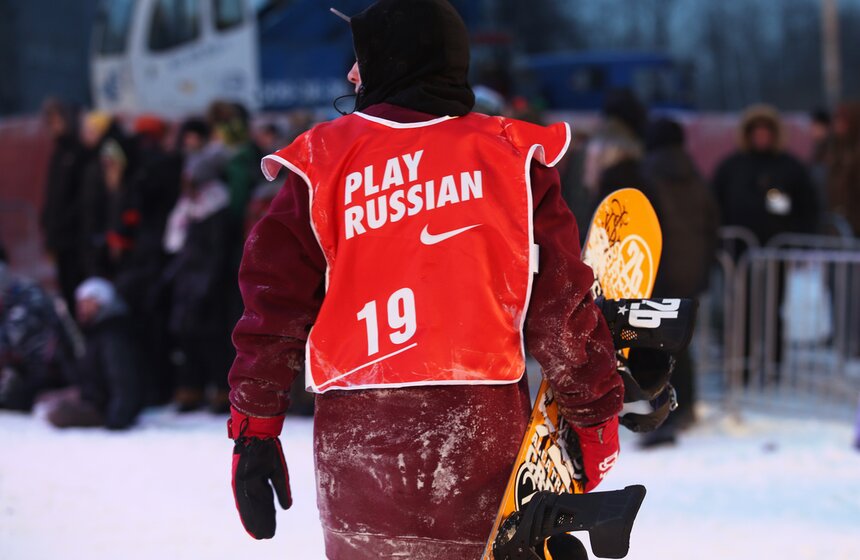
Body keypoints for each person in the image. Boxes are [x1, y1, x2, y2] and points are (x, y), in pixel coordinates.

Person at [226, 1, 622, 558]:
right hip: (479, 435)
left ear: (394, 60)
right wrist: (595, 415)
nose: (352, 76)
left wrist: (255, 427)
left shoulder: (320, 163)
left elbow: (272, 306)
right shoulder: (511, 156)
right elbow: (560, 309)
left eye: (362, 59)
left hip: (357, 447)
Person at [639, 117, 719, 446]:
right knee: (681, 344)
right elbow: (713, 223)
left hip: (660, 271)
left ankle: (664, 413)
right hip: (690, 274)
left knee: (654, 344)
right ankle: (685, 405)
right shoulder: (695, 176)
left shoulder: (647, 174)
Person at [161, 145, 237, 413]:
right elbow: (176, 245)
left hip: (211, 285)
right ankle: (191, 388)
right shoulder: (188, 210)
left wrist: (205, 284)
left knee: (214, 339)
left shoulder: (217, 209)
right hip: (190, 283)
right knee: (188, 338)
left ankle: (220, 390)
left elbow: (218, 253)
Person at [42, 277, 142, 430]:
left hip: (105, 406)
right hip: (94, 398)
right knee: (45, 401)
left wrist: (117, 418)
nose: (81, 308)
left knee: (57, 414)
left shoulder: (113, 335)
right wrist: (64, 350)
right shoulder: (95, 332)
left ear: (101, 302)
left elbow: (122, 379)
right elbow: (84, 375)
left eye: (86, 302)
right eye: (80, 303)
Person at [711, 104, 819, 245]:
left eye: (766, 130)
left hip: (781, 246)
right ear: (748, 133)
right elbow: (715, 204)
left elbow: (807, 207)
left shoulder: (791, 167)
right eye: (757, 131)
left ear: (775, 133)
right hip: (738, 246)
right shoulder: (731, 167)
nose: (761, 136)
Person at [40, 98, 85, 317]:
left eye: (58, 120)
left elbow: (80, 197)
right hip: (59, 240)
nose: (54, 126)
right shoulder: (58, 155)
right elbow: (53, 196)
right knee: (66, 290)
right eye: (51, 121)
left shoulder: (78, 153)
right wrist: (47, 226)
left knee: (78, 289)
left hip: (76, 239)